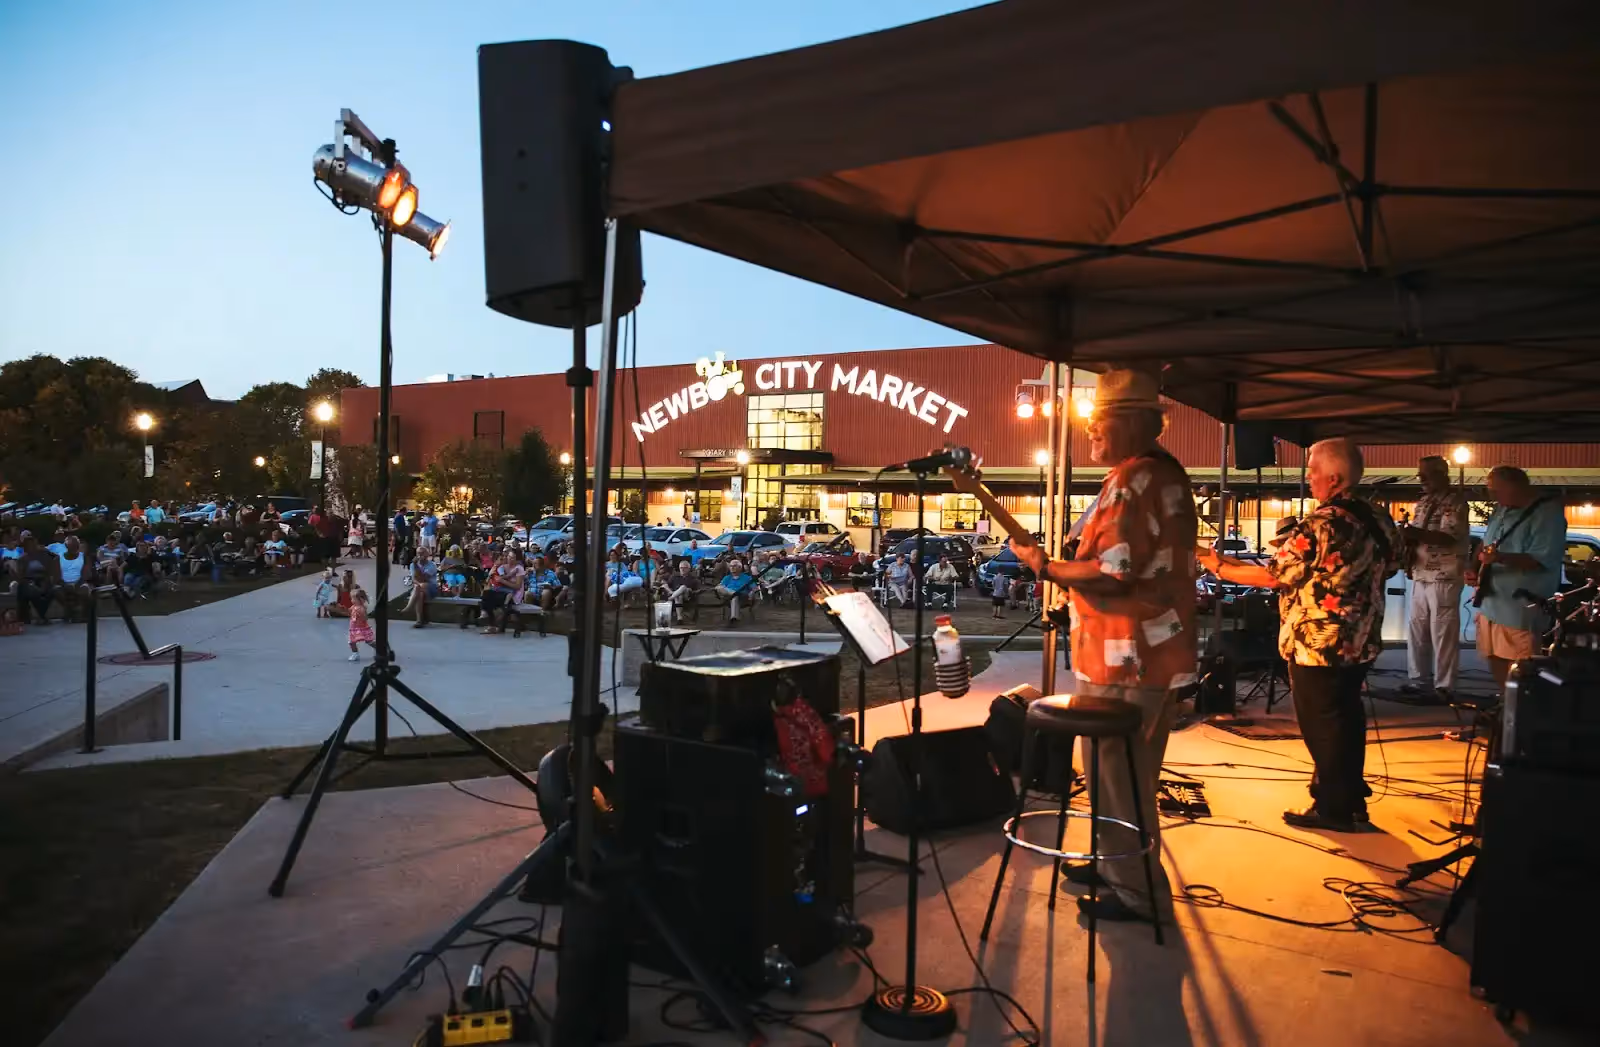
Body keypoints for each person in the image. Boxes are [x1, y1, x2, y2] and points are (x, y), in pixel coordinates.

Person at [999, 367, 1199, 924]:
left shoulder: (1136, 479)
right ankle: (1116, 864)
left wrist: (1044, 565)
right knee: (1121, 771)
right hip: (1138, 654)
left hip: (1129, 656)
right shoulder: (1156, 473)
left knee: (1120, 776)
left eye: (1098, 422)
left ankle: (1134, 892)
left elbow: (1113, 573)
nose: (1089, 433)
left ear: (1133, 423)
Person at [1202, 437, 1400, 833]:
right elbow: (1393, 565)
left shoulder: (1322, 522)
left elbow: (1274, 576)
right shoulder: (1379, 518)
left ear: (1335, 477)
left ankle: (1333, 808)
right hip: (1360, 636)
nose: (1308, 478)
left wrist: (1215, 565)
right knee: (1346, 715)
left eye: (1312, 470)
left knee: (1322, 722)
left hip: (1318, 641)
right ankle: (1349, 797)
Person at [1470, 465, 1567, 688]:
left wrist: (1500, 558)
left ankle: (1522, 713)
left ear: (1518, 487)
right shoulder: (1502, 509)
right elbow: (1486, 544)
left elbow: (1540, 558)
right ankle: (1505, 707)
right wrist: (1473, 567)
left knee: (1521, 667)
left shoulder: (1548, 514)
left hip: (1520, 607)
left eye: (1498, 491)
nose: (1493, 496)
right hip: (1492, 603)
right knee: (1492, 656)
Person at [1400, 455, 1470, 702]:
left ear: (1443, 474)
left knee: (1442, 632)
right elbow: (1419, 537)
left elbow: (1449, 536)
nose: (1422, 479)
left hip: (1444, 575)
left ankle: (1444, 685)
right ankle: (1418, 680)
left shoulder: (1456, 501)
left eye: (1427, 474)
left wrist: (1413, 533)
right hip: (1421, 573)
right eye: (1420, 474)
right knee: (1417, 629)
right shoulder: (1423, 502)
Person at [13, 534, 61, 623]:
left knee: (53, 590)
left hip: (44, 580)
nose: (31, 547)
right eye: (28, 545)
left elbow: (56, 558)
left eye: (33, 544)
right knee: (29, 589)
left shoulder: (45, 555)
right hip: (30, 582)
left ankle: (42, 616)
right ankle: (40, 616)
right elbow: (22, 577)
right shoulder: (22, 559)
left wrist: (50, 580)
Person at [480, 549, 526, 634]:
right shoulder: (503, 566)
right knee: (486, 594)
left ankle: (492, 625)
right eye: (509, 557)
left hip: (514, 595)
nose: (510, 559)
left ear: (516, 558)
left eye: (513, 558)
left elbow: (517, 586)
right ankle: (486, 616)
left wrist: (503, 581)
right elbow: (492, 578)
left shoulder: (519, 569)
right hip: (503, 591)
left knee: (491, 601)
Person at [55, 536, 91, 621]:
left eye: (77, 545)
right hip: (63, 584)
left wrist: (76, 585)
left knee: (85, 589)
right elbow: (56, 576)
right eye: (73, 546)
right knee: (55, 590)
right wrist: (65, 585)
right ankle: (70, 610)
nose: (76, 548)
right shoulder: (58, 558)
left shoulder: (84, 557)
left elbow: (86, 574)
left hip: (80, 583)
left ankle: (76, 613)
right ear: (67, 547)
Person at [714, 557, 756, 623]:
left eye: (734, 566)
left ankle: (734, 617)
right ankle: (733, 593)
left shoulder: (747, 578)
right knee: (718, 587)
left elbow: (754, 588)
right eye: (730, 566)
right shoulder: (727, 577)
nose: (732, 568)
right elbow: (720, 587)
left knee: (735, 596)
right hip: (728, 597)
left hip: (743, 597)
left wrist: (751, 593)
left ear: (740, 567)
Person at [406, 547, 440, 626]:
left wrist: (416, 566)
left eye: (422, 553)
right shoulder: (412, 565)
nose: (420, 555)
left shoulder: (432, 565)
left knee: (422, 585)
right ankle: (419, 621)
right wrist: (419, 584)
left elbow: (423, 578)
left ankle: (409, 607)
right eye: (418, 553)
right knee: (420, 594)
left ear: (427, 554)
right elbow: (414, 579)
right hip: (418, 589)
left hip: (432, 588)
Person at [347, 585, 377, 660]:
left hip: (362, 628)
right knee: (351, 642)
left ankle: (380, 649)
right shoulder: (353, 606)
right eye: (351, 599)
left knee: (369, 641)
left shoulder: (361, 608)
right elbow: (349, 612)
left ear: (360, 599)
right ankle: (355, 654)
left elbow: (365, 618)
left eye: (353, 599)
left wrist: (361, 615)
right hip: (354, 628)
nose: (352, 600)